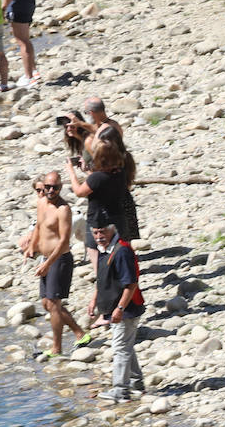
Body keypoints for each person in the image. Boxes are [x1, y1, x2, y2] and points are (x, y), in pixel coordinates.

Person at [19, 171, 87, 358]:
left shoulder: (63, 210)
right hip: (46, 258)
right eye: (47, 187)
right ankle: (80, 333)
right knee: (46, 304)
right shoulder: (41, 203)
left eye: (55, 187)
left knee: (54, 304)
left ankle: (57, 348)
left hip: (59, 260)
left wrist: (48, 263)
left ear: (60, 188)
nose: (50, 190)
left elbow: (64, 241)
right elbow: (39, 227)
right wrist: (31, 247)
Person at [85, 215, 145, 402]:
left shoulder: (121, 251)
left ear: (112, 230)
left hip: (126, 309)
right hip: (116, 308)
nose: (99, 236)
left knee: (120, 348)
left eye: (102, 231)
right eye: (95, 233)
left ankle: (120, 390)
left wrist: (119, 308)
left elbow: (131, 284)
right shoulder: (105, 250)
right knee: (126, 345)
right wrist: (94, 299)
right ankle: (136, 382)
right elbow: (104, 278)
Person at [67, 131, 137, 272]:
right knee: (118, 249)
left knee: (94, 248)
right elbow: (100, 182)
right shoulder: (119, 172)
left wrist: (71, 172)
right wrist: (87, 172)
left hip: (99, 220)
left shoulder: (97, 177)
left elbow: (79, 192)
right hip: (117, 217)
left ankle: (104, 279)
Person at [1, 0, 37, 86]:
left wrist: (3, 7)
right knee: (26, 39)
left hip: (17, 6)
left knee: (22, 42)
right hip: (29, 3)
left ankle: (28, 77)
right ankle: (33, 71)